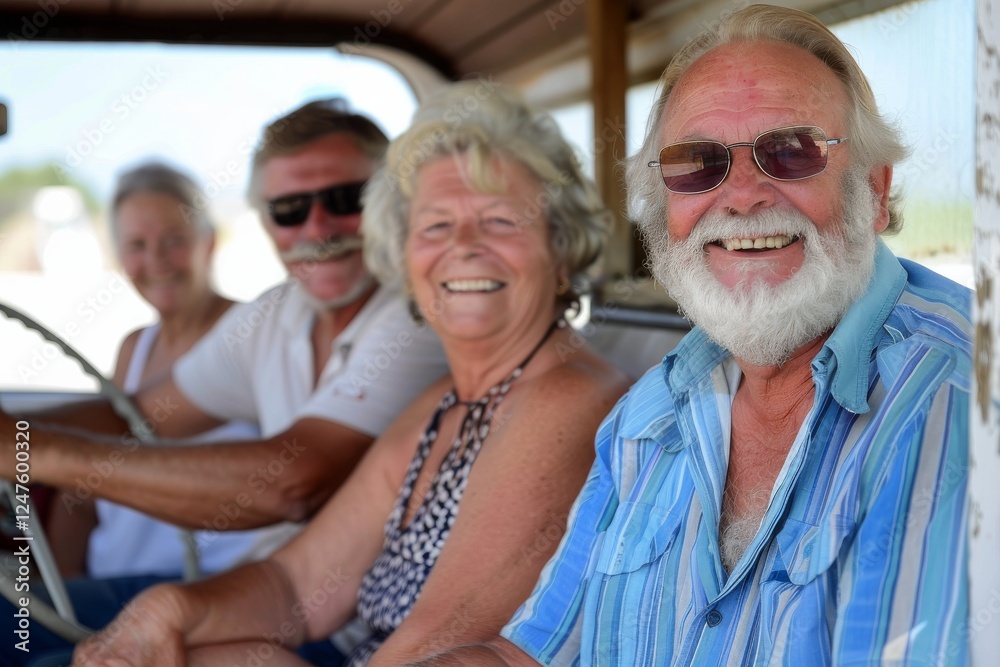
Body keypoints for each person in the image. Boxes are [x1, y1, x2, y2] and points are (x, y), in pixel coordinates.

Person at [421, 5, 973, 665]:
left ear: (875, 191)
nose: (741, 195)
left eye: (791, 151)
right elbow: (530, 655)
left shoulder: (955, 397)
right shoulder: (652, 411)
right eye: (696, 162)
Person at [71, 80, 632, 667]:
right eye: (436, 226)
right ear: (404, 257)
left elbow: (442, 641)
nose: (464, 247)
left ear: (561, 251)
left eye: (500, 221)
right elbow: (298, 583)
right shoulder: (448, 401)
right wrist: (167, 612)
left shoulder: (565, 397)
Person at [0, 99, 449, 664]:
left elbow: (291, 482)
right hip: (255, 594)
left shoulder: (421, 315)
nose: (317, 227)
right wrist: (17, 438)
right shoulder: (276, 315)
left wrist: (27, 450)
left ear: (391, 204)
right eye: (288, 209)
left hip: (341, 630)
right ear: (265, 223)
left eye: (346, 200)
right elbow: (136, 416)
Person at [47, 161, 260, 584]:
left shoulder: (254, 335)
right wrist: (62, 584)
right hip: (111, 581)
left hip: (207, 586)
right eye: (137, 245)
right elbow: (82, 492)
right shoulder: (133, 349)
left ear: (208, 242)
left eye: (173, 240)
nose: (156, 261)